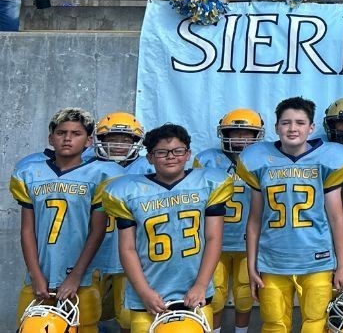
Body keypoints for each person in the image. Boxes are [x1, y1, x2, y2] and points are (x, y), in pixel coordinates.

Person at [238, 96, 343, 333]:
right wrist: (252, 266)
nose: (293, 128)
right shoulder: (258, 160)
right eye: (286, 122)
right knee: (274, 326)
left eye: (300, 123)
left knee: (315, 326)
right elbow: (254, 220)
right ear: (276, 127)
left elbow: (337, 218)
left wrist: (342, 266)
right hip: (272, 260)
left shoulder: (328, 159)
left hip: (317, 259)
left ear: (311, 128)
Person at [103, 124, 231, 331]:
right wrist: (144, 292)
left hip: (193, 289)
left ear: (188, 154)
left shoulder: (207, 184)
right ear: (150, 158)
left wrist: (200, 285)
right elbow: (127, 248)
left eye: (178, 151)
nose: (170, 156)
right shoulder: (128, 191)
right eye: (162, 152)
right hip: (149, 290)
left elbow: (214, 238)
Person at [11, 108, 112, 331]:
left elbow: (97, 231)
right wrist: (36, 275)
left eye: (76, 133)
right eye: (61, 132)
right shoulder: (31, 173)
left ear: (88, 141)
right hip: (39, 274)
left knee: (83, 326)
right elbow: (27, 230)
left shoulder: (99, 175)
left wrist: (75, 276)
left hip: (81, 277)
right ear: (50, 138)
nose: (67, 138)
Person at [193, 108, 265, 332]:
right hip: (215, 242)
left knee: (244, 293)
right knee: (216, 294)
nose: (241, 138)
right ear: (224, 133)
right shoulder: (206, 160)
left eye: (246, 134)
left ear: (257, 136)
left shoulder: (263, 159)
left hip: (248, 242)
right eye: (234, 132)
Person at [90, 111, 153, 333]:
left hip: (132, 251)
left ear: (136, 142)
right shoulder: (87, 164)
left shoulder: (148, 168)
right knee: (86, 314)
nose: (118, 144)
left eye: (125, 139)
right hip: (93, 252)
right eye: (112, 139)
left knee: (128, 319)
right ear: (101, 140)